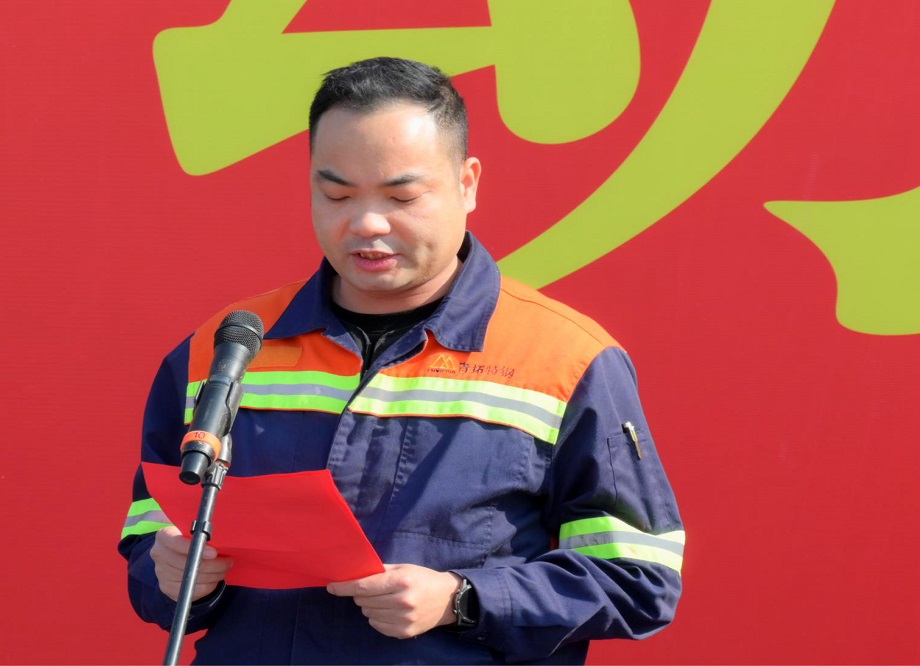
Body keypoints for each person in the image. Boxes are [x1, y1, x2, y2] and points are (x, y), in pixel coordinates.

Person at [120, 56, 684, 664]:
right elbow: (148, 540)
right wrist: (173, 572)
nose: (366, 223)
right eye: (336, 193)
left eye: (402, 196)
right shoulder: (226, 348)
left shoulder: (566, 358)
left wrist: (464, 600)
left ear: (467, 183)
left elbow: (637, 577)